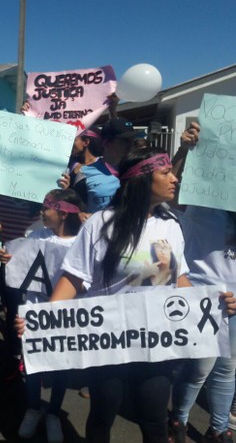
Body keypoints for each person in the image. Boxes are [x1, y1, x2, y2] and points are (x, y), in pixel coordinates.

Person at [17, 147, 236, 443]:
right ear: (142, 179)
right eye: (166, 172)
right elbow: (73, 278)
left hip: (158, 342)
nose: (174, 179)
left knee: (155, 419)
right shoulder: (101, 224)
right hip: (108, 342)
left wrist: (211, 305)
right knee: (103, 415)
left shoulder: (171, 224)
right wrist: (42, 320)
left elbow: (178, 278)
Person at [169, 122, 236, 443]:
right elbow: (169, 184)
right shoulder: (198, 198)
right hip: (200, 296)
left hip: (234, 302)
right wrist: (183, 149)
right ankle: (179, 421)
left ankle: (220, 427)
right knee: (199, 369)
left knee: (227, 370)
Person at [0, 189, 84, 443]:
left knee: (61, 367)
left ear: (61, 212)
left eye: (47, 207)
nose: (41, 211)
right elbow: (21, 270)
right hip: (34, 312)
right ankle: (34, 408)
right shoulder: (36, 236)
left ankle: (54, 413)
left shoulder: (81, 242)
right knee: (34, 365)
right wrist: (8, 259)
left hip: (67, 316)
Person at [59, 128, 120, 213]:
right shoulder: (67, 166)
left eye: (73, 140)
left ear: (86, 142)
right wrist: (66, 190)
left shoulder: (105, 165)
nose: (69, 143)